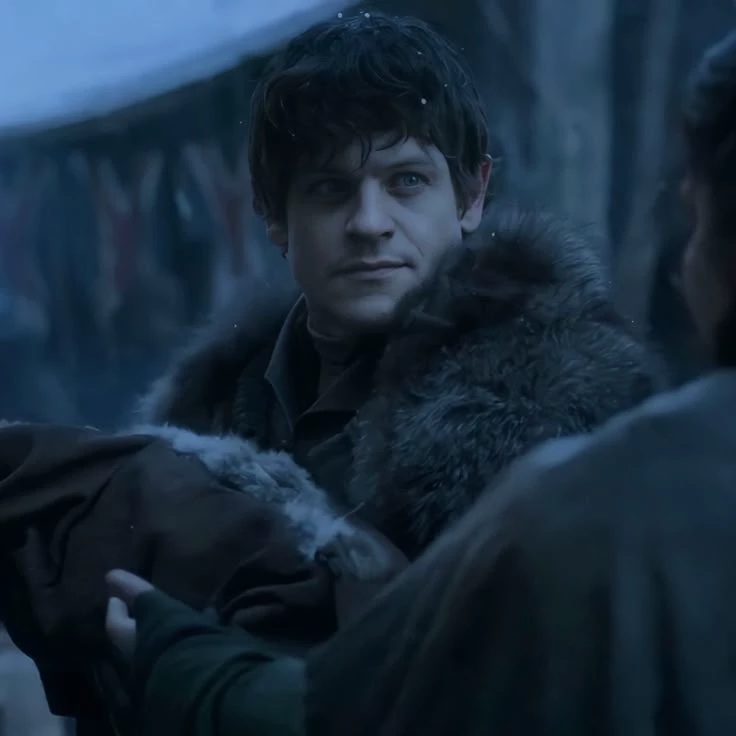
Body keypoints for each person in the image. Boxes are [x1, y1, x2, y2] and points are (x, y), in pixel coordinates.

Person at [0, 11, 658, 735]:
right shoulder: (208, 412)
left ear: (471, 196)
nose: (369, 222)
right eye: (329, 188)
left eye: (407, 181)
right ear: (274, 216)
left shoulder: (566, 416)